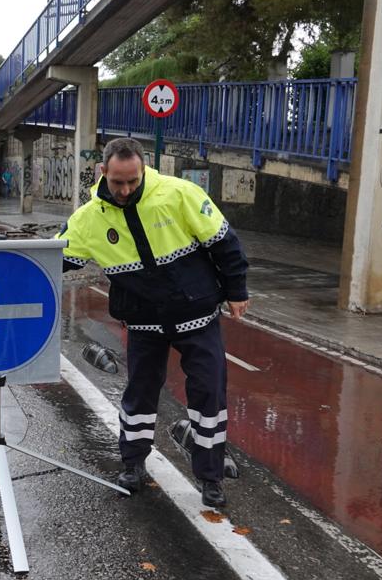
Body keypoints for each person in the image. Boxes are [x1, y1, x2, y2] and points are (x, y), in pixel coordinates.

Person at [57, 137, 249, 508]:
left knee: (209, 394)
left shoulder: (180, 194)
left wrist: (236, 289)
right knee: (140, 396)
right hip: (144, 322)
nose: (126, 190)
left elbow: (224, 242)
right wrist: (9, 264)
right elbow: (54, 257)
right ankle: (132, 465)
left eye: (133, 181)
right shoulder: (88, 220)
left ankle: (210, 477)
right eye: (118, 183)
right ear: (103, 172)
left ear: (143, 169)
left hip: (197, 316)